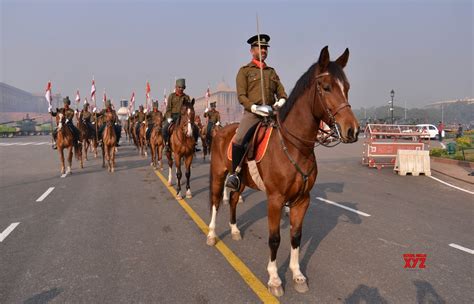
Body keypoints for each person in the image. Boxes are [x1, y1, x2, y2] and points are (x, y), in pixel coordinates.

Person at [225, 33, 287, 191]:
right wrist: (255, 108)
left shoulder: (271, 72)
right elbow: (241, 96)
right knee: (239, 139)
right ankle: (235, 175)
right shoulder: (244, 71)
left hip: (272, 114)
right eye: (260, 47)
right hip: (253, 114)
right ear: (252, 51)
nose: (264, 50)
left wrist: (278, 105)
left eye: (265, 48)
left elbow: (282, 94)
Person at [162, 78, 200, 152]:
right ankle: (166, 144)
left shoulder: (186, 97)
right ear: (176, 87)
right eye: (179, 87)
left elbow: (189, 108)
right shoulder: (171, 96)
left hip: (183, 117)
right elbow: (168, 108)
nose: (180, 89)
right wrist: (169, 117)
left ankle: (194, 144)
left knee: (196, 128)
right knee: (164, 129)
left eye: (182, 88)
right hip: (173, 116)